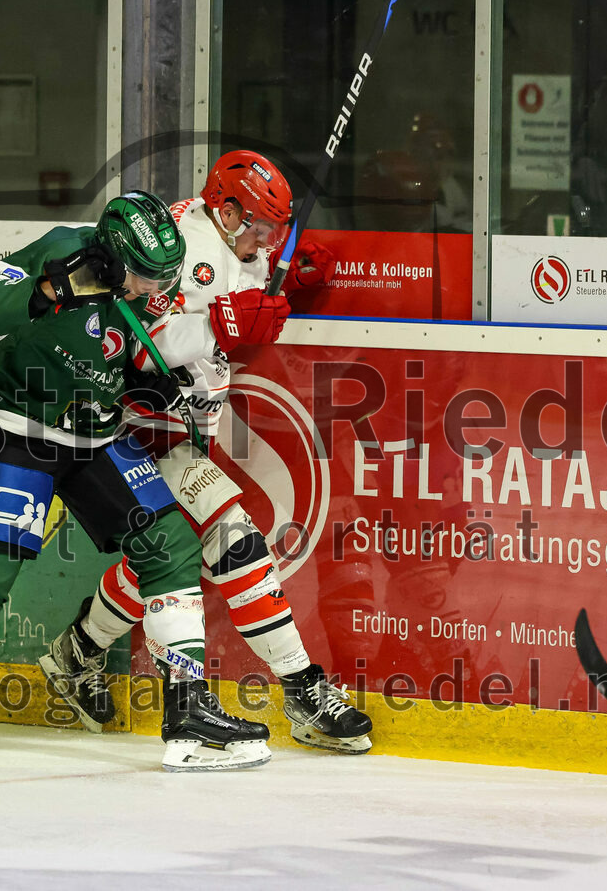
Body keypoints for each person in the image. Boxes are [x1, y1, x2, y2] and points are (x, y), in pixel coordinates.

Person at [0, 190, 271, 772]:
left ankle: (187, 710)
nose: (151, 290)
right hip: (17, 427)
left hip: (96, 436)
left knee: (171, 546)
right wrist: (45, 291)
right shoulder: (61, 250)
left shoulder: (146, 286)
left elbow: (139, 346)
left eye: (162, 278)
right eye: (142, 277)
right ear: (109, 254)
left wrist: (180, 357)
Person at [39, 152, 374, 754]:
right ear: (225, 212)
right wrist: (223, 324)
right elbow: (136, 344)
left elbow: (241, 278)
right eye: (261, 231)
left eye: (274, 232)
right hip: (139, 428)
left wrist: (285, 276)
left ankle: (75, 654)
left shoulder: (228, 237)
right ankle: (301, 690)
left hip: (175, 430)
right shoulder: (189, 247)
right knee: (233, 540)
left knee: (163, 562)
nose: (266, 243)